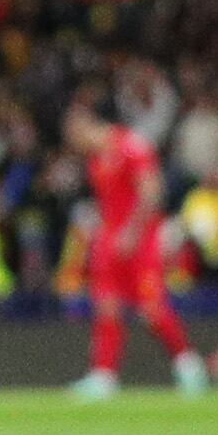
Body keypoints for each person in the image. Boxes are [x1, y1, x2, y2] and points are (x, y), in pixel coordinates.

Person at [63, 100, 204, 399]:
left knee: (152, 308)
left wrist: (133, 230)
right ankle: (104, 375)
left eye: (75, 135)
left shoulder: (132, 146)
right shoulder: (96, 159)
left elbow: (152, 190)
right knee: (106, 306)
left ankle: (188, 365)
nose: (74, 144)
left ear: (87, 125)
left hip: (140, 240)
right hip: (109, 240)